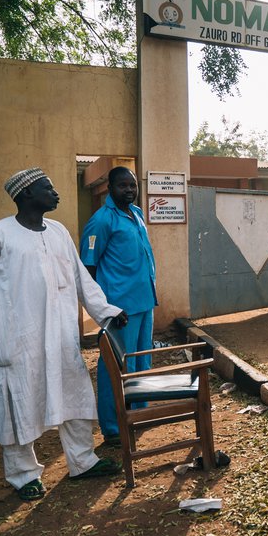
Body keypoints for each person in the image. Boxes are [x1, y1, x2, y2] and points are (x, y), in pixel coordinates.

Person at [0, 168, 127, 502]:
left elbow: (81, 278)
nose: (56, 193)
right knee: (19, 404)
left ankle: (83, 461)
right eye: (48, 188)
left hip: (61, 335)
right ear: (27, 194)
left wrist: (107, 312)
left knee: (75, 397)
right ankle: (23, 475)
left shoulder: (58, 232)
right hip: (18, 340)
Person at [80, 167, 157, 447]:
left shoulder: (136, 214)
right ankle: (113, 427)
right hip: (119, 309)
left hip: (145, 302)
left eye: (132, 185)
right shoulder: (101, 221)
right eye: (123, 185)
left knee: (140, 361)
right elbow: (87, 268)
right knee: (115, 365)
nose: (129, 190)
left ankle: (138, 413)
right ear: (110, 188)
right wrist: (102, 307)